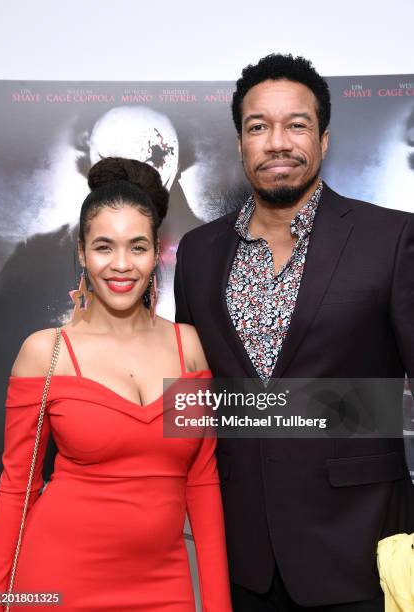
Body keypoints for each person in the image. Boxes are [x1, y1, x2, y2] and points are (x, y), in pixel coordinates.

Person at [174, 53, 414, 611]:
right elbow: (196, 394)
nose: (277, 141)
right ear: (240, 142)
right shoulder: (199, 252)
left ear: (324, 139)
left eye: (296, 124)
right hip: (241, 553)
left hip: (362, 546)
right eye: (259, 126)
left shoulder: (391, 239)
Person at [0, 157, 232, 611]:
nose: (121, 265)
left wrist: (218, 605)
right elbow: (17, 490)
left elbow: (201, 483)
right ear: (81, 251)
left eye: (137, 247)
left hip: (165, 585)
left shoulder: (188, 347)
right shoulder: (46, 352)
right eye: (104, 247)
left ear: (156, 251)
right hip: (57, 582)